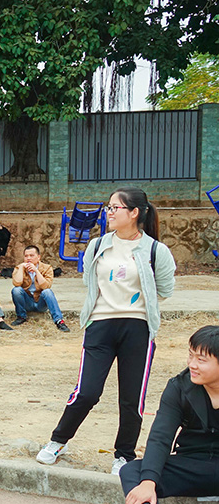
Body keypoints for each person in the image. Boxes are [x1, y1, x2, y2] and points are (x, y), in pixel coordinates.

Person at [37, 187, 176, 475]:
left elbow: (165, 289)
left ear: (134, 213)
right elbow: (89, 280)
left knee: (131, 398)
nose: (109, 212)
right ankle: (57, 441)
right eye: (109, 207)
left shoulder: (154, 250)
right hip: (100, 325)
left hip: (137, 328)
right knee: (86, 392)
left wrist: (137, 302)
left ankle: (123, 455)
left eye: (116, 207)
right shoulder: (98, 245)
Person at [118, 325, 219, 504]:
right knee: (132, 471)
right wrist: (148, 482)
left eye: (201, 359)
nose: (192, 364)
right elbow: (161, 437)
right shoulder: (179, 387)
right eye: (191, 355)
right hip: (189, 465)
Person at [10, 245, 70, 332]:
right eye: (26, 256)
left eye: (31, 255)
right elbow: (17, 283)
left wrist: (36, 271)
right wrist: (21, 268)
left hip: (41, 302)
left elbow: (46, 286)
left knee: (47, 292)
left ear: (38, 257)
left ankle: (59, 321)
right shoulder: (19, 268)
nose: (28, 258)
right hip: (27, 302)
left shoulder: (47, 268)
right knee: (16, 290)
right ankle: (21, 316)